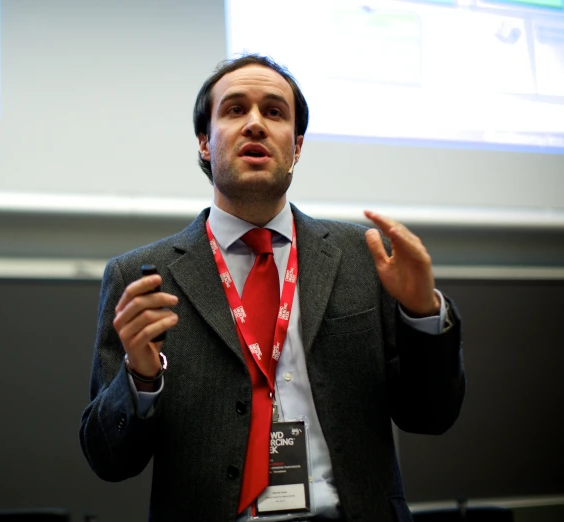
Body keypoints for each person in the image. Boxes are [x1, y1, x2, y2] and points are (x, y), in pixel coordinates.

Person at [79, 54, 465, 522]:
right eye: (235, 109)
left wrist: (423, 314)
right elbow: (109, 461)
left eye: (275, 112)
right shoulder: (141, 277)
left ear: (296, 146)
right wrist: (140, 379)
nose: (256, 124)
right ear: (205, 142)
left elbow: (431, 415)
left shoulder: (364, 256)